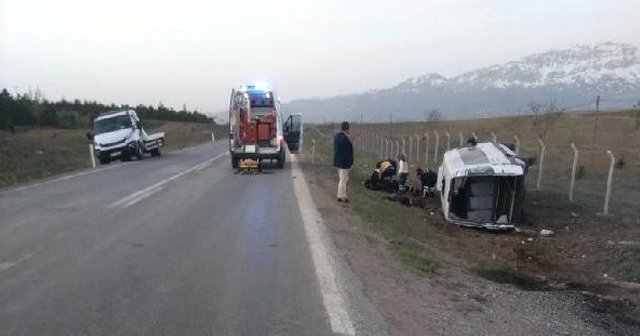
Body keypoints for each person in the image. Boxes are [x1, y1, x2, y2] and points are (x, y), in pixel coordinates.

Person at [333, 121, 354, 203]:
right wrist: (350, 163)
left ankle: (342, 195)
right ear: (347, 129)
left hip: (337, 161)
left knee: (343, 179)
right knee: (343, 180)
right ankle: (341, 196)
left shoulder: (337, 136)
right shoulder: (346, 138)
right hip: (344, 163)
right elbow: (348, 152)